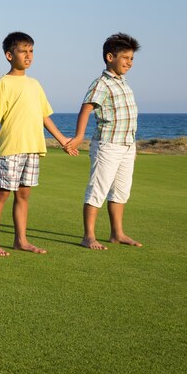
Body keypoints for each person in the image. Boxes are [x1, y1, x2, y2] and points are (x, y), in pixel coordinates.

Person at [0, 31, 77, 257]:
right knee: (2, 193)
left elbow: (44, 116)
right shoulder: (3, 82)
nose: (28, 56)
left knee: (23, 195)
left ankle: (20, 240)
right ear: (8, 55)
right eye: (23, 51)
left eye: (31, 51)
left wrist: (63, 140)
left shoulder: (35, 84)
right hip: (10, 148)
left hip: (33, 148)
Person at [65, 32, 143, 250]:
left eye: (132, 59)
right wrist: (79, 137)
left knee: (121, 190)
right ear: (110, 57)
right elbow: (86, 109)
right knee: (98, 189)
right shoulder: (101, 83)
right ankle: (88, 236)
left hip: (127, 145)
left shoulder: (124, 83)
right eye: (125, 58)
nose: (129, 62)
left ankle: (117, 234)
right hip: (107, 145)